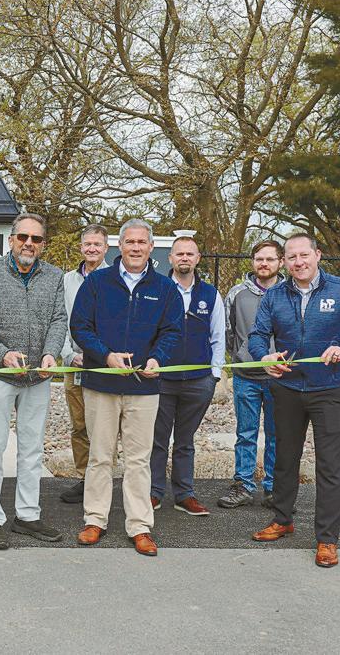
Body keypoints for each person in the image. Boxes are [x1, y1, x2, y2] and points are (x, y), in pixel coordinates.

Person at [249, 233, 340, 568]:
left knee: (330, 466)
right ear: (284, 261)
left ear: (317, 255)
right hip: (287, 389)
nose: (298, 262)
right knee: (284, 459)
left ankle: (327, 539)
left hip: (330, 391)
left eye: (304, 255)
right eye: (291, 257)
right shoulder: (275, 295)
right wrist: (264, 357)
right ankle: (282, 519)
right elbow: (257, 335)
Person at [70, 219, 183, 557]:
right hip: (101, 385)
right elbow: (80, 326)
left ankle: (139, 525)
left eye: (141, 242)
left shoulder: (165, 288)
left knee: (138, 460)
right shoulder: (97, 283)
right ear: (119, 246)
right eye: (129, 242)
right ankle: (95, 520)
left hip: (144, 388)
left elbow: (173, 331)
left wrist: (157, 358)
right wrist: (105, 355)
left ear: (151, 248)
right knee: (99, 456)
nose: (135, 247)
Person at [0, 213, 68, 551]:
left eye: (36, 239)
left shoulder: (54, 276)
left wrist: (51, 353)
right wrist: (3, 354)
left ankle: (27, 515)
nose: (28, 243)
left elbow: (58, 320)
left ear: (43, 244)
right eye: (23, 237)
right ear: (11, 240)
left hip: (38, 377)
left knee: (32, 450)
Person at [149, 235, 225, 516]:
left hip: (198, 381)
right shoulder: (157, 290)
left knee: (185, 440)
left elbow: (218, 336)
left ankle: (184, 495)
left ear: (197, 258)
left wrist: (214, 375)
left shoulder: (210, 294)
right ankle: (153, 492)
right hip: (161, 380)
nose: (184, 258)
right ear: (170, 258)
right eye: (179, 253)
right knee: (157, 440)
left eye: (189, 254)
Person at [218, 239, 283, 509]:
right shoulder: (236, 294)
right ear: (253, 262)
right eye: (259, 259)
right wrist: (242, 356)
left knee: (277, 434)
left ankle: (273, 488)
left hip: (279, 377)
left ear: (281, 262)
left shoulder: (290, 292)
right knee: (245, 433)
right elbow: (228, 331)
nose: (263, 264)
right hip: (246, 377)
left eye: (269, 259)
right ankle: (243, 485)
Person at [58, 224, 109, 504]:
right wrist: (68, 355)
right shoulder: (66, 280)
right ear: (81, 247)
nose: (92, 249)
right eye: (87, 244)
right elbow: (59, 320)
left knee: (103, 428)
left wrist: (103, 355)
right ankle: (85, 479)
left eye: (97, 244)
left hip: (104, 366)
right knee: (79, 426)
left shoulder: (114, 278)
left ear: (106, 248)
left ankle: (102, 481)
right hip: (74, 364)